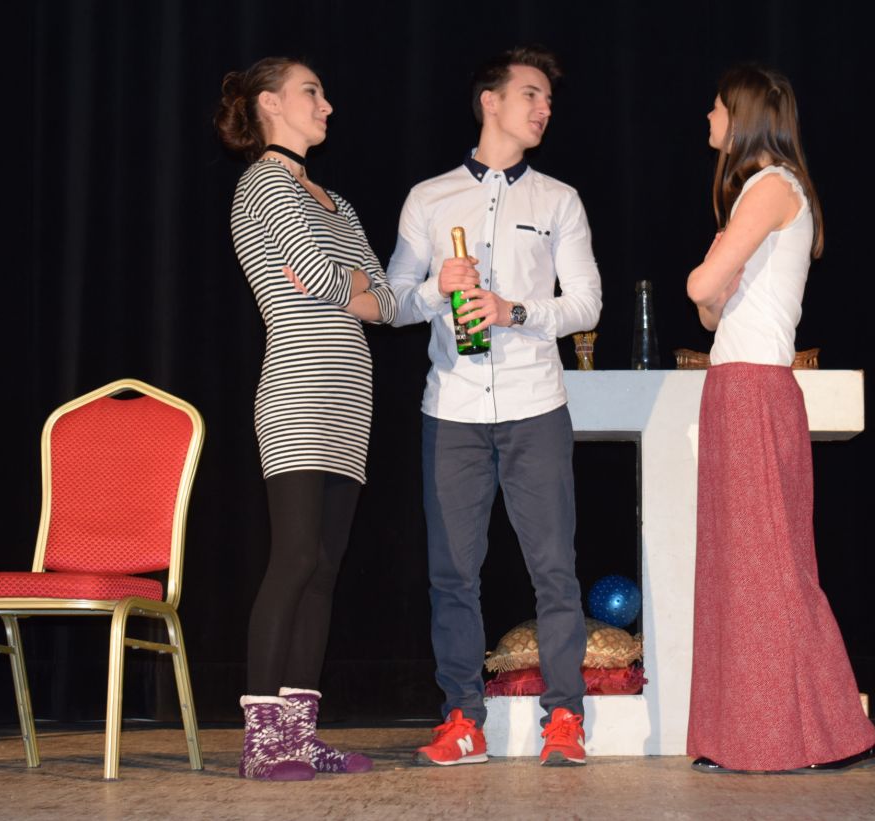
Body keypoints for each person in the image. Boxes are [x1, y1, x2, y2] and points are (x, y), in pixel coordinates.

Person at [387, 45, 602, 767]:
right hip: (451, 408)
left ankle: (565, 718)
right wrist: (436, 289)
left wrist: (514, 310)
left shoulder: (558, 199)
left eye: (549, 100)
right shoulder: (429, 197)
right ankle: (462, 719)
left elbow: (587, 303)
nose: (544, 109)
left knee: (554, 569)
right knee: (452, 573)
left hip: (535, 403)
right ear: (491, 101)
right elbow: (394, 300)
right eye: (531, 94)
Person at [685, 64, 875, 773]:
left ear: (743, 116)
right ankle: (746, 735)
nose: (709, 119)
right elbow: (709, 313)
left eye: (716, 108)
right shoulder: (758, 192)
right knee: (738, 568)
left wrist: (708, 279)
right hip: (735, 382)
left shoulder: (770, 186)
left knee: (771, 565)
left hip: (754, 385)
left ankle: (832, 732)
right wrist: (710, 287)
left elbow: (702, 286)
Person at [215, 57, 396, 781]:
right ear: (270, 103)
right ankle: (262, 737)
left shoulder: (336, 202)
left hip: (352, 395)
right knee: (293, 557)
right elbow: (323, 277)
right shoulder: (263, 183)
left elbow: (387, 301)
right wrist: (352, 285)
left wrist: (351, 286)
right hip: (297, 385)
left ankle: (300, 733)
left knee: (324, 567)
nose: (327, 104)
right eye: (311, 92)